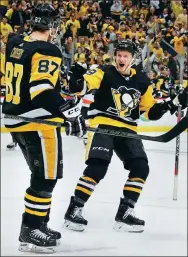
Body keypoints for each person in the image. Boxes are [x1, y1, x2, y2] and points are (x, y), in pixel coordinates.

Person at [63, 40, 187, 233]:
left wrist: (172, 103)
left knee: (141, 167)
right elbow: (79, 88)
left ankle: (125, 213)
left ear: (133, 59)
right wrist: (76, 76)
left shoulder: (142, 81)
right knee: (97, 167)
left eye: (125, 56)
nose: (121, 58)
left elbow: (149, 112)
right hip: (102, 125)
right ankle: (74, 210)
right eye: (119, 55)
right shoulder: (103, 72)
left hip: (128, 128)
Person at [2, 3, 86, 253]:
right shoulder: (46, 49)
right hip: (37, 121)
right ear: (50, 25)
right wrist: (69, 112)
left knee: (41, 176)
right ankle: (30, 230)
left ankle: (40, 223)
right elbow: (40, 89)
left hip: (15, 116)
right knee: (45, 178)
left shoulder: (16, 42)